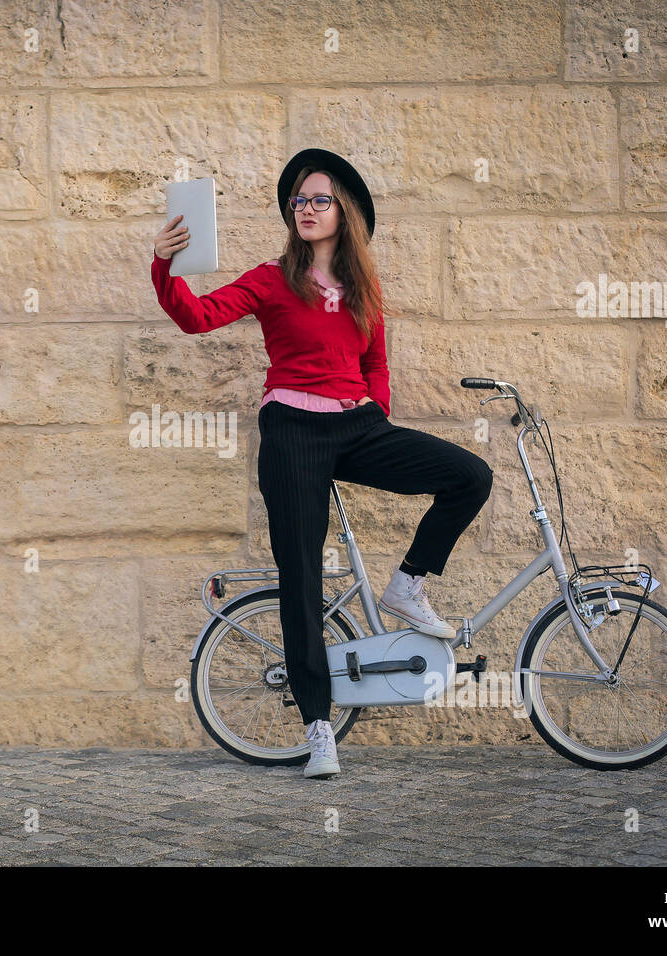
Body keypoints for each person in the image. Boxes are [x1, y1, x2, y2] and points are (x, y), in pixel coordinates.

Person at [150, 148, 493, 779]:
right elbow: (195, 317)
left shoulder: (365, 289)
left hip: (356, 427)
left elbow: (376, 365)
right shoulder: (269, 279)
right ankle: (318, 729)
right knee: (302, 579)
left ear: (345, 214)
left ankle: (408, 584)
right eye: (299, 201)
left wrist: (377, 416)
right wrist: (165, 263)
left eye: (319, 199)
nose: (306, 209)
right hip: (292, 434)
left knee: (470, 477)